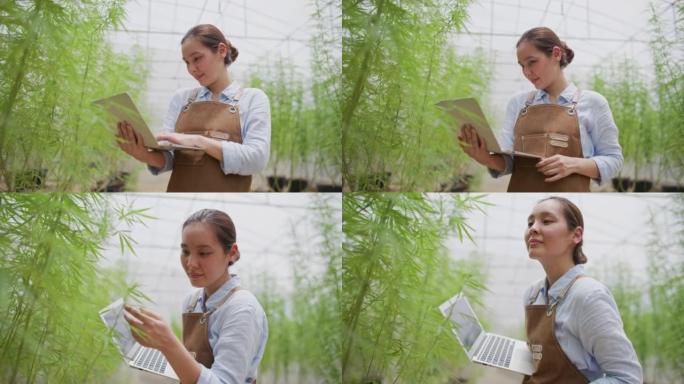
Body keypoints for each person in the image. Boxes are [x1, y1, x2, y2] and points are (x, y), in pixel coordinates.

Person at [458, 27, 623, 192]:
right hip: (521, 200)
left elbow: (614, 160)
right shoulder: (518, 104)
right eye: (522, 66)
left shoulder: (593, 103)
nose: (527, 72)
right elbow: (509, 163)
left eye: (532, 62)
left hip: (570, 202)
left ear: (556, 54)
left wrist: (573, 164)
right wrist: (484, 157)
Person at [117, 24, 271, 192]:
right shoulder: (181, 99)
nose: (191, 69)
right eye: (187, 62)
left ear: (221, 50)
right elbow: (170, 158)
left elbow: (257, 159)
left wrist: (199, 141)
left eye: (197, 59)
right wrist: (141, 154)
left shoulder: (253, 99)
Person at [124, 209, 268, 384]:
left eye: (203, 253)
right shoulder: (192, 302)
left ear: (231, 252)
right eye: (185, 251)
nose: (190, 263)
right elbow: (194, 365)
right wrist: (158, 346)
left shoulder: (242, 309)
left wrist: (168, 343)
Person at [522, 196, 642, 383]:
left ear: (576, 235)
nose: (533, 228)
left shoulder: (588, 295)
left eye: (546, 221)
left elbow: (627, 378)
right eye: (530, 222)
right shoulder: (532, 294)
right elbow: (539, 359)